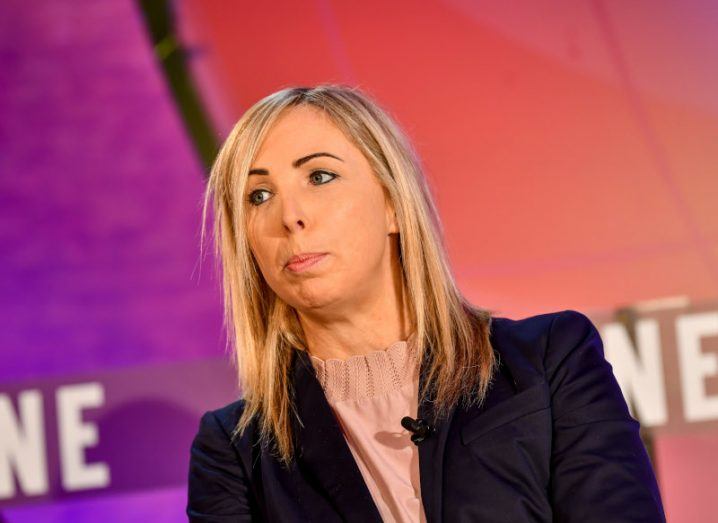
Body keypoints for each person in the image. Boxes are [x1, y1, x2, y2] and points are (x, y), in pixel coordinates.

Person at [186, 84, 666, 522]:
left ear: (393, 202)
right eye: (259, 195)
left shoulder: (551, 360)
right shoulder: (234, 451)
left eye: (320, 176)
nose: (290, 216)